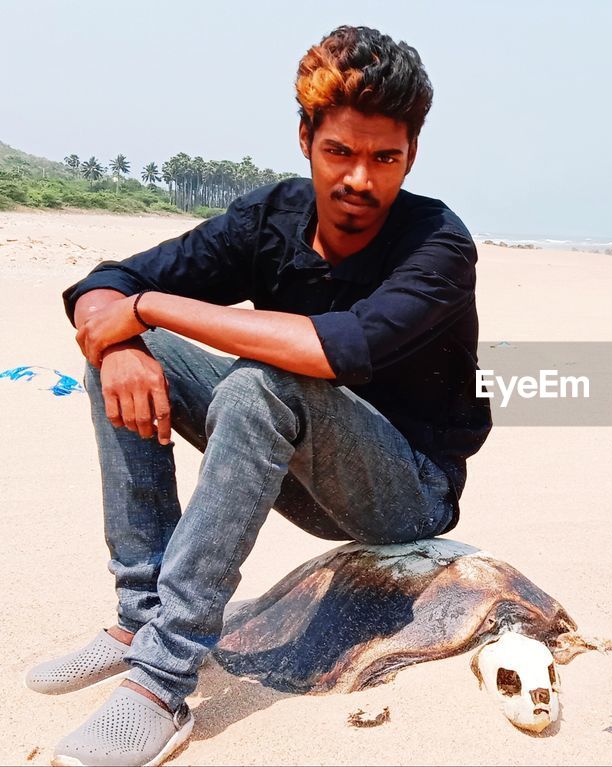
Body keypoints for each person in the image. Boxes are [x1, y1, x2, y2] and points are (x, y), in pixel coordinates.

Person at [27, 25, 491, 766]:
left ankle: (162, 676)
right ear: (306, 137)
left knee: (257, 380)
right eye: (339, 151)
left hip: (407, 491)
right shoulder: (271, 217)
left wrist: (148, 308)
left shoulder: (438, 244)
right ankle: (139, 617)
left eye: (385, 158)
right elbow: (103, 282)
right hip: (295, 463)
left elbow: (334, 348)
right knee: (122, 358)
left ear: (412, 155)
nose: (360, 181)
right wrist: (119, 337)